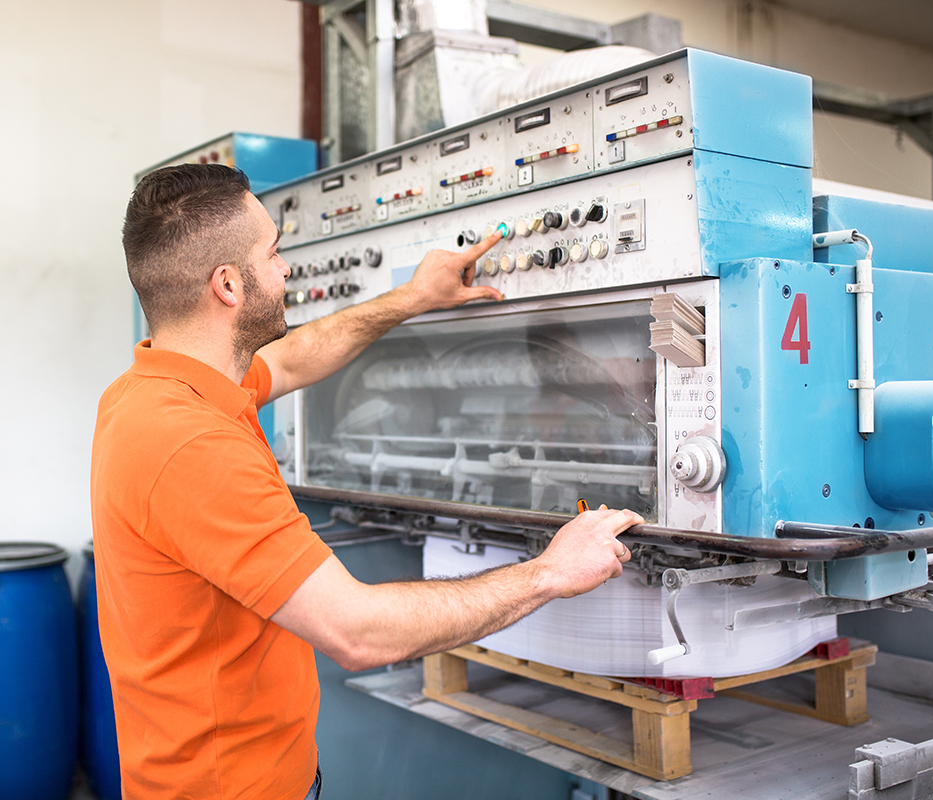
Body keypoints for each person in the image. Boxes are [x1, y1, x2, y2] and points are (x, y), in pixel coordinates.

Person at [90, 163, 643, 800]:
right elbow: (357, 631)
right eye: (273, 253)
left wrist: (414, 296)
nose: (288, 267)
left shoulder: (153, 391)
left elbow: (294, 354)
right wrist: (549, 571)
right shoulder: (193, 445)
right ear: (228, 286)